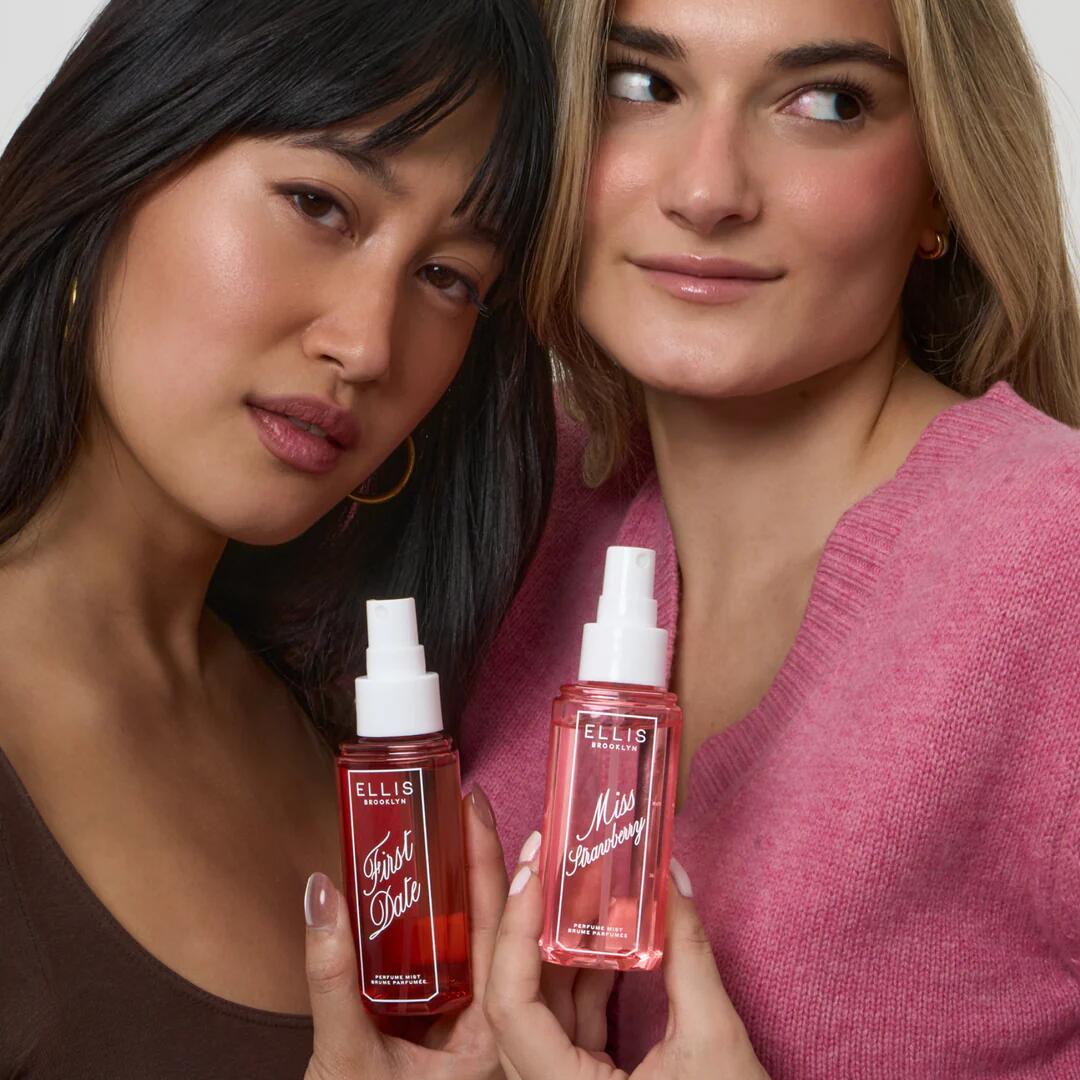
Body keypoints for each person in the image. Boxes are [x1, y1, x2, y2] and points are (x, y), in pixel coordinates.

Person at [467, 0, 1080, 1074]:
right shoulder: (504, 503)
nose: (708, 192)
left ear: (941, 181)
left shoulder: (1054, 567)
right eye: (641, 85)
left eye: (827, 103)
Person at [0, 0, 553, 1076]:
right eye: (319, 204)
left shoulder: (360, 737)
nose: (368, 344)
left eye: (447, 278)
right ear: (115, 157)